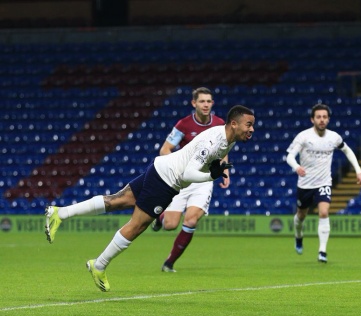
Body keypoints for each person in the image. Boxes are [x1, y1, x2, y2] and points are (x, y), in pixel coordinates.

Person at [44, 105, 255, 292]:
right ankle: (99, 265)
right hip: (166, 180)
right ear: (234, 124)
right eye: (248, 125)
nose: (251, 130)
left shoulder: (226, 138)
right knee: (136, 226)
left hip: (159, 168)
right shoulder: (215, 141)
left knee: (118, 200)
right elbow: (188, 174)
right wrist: (211, 175)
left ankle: (60, 213)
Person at [150, 87, 230, 273]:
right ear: (194, 103)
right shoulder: (183, 125)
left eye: (209, 101)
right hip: (183, 179)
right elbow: (165, 149)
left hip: (203, 180)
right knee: (170, 225)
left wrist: (225, 171)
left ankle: (169, 263)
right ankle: (159, 217)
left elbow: (224, 150)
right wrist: (176, 167)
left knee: (191, 220)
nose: (206, 104)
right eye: (202, 101)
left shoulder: (219, 125)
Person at [286, 103, 361, 263]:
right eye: (318, 117)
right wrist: (296, 167)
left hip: (324, 183)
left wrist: (358, 170)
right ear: (312, 119)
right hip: (305, 184)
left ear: (328, 119)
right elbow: (289, 156)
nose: (321, 120)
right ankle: (298, 236)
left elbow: (347, 150)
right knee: (301, 216)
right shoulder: (304, 137)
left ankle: (322, 251)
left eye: (324, 117)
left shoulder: (334, 137)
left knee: (323, 212)